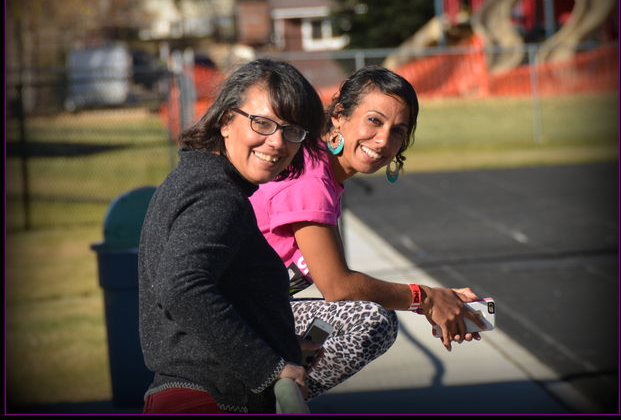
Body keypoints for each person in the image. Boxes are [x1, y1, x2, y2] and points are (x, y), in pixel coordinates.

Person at [250, 66, 485, 399]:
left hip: (256, 311)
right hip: (231, 320)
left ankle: (279, 386)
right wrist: (426, 299)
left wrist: (443, 302)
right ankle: (265, 400)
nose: (384, 140)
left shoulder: (323, 175)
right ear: (339, 116)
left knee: (331, 323)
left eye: (398, 130)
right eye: (374, 120)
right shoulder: (310, 180)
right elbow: (338, 287)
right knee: (371, 320)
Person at [138, 59, 325, 413]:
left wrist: (277, 343)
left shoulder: (196, 179)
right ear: (225, 121)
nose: (277, 142)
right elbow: (181, 287)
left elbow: (220, 293)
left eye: (292, 131)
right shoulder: (217, 195)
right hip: (209, 401)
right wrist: (267, 366)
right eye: (263, 123)